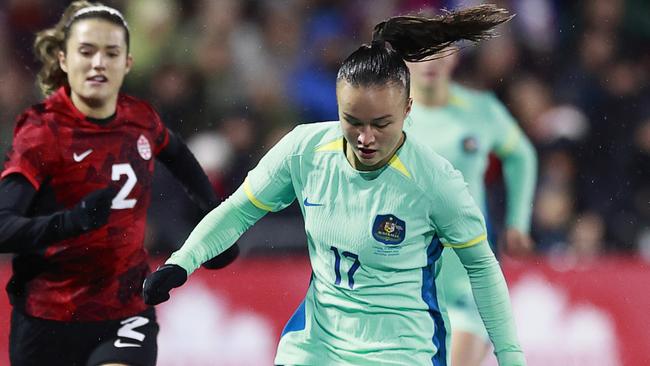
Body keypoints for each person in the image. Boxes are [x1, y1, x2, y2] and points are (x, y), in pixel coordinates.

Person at [144, 5, 526, 366]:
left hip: (403, 351)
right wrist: (181, 262)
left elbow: (483, 268)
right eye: (353, 121)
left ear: (408, 109)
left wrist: (511, 357)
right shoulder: (304, 150)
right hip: (317, 345)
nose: (365, 137)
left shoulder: (435, 181)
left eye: (381, 124)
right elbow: (239, 209)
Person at [0, 2, 238, 366]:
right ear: (64, 60)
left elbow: (179, 157)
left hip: (124, 309)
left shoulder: (140, 118)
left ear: (127, 63)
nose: (99, 63)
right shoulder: (40, 135)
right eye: (87, 51)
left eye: (111, 53)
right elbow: (4, 228)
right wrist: (71, 223)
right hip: (47, 318)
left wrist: (217, 222)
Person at [405, 46, 537, 365]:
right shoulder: (387, 118)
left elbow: (521, 155)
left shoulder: (481, 110)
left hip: (468, 276)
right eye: (420, 54)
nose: (430, 63)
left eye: (439, 53)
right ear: (404, 61)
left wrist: (518, 222)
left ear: (454, 56)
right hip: (405, 278)